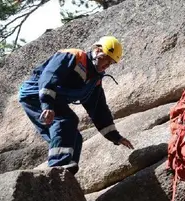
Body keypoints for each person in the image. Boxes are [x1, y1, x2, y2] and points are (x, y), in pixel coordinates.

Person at [18, 36, 134, 174]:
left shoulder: (94, 80)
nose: (107, 64)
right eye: (106, 58)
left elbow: (99, 111)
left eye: (112, 62)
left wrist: (116, 137)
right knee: (65, 121)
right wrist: (47, 106)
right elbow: (48, 77)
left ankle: (68, 174)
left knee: (74, 136)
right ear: (97, 50)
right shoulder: (74, 56)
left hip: (52, 99)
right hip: (35, 93)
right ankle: (57, 169)